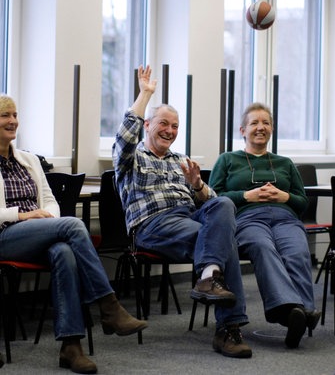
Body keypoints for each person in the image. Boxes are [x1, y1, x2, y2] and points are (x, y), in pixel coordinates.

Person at [0, 94, 147, 374]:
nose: (12, 121)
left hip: (38, 233)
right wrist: (23, 215)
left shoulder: (28, 160)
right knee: (73, 225)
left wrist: (48, 218)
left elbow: (50, 199)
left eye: (15, 115)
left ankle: (71, 345)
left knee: (64, 251)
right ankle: (108, 305)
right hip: (6, 236)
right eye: (5, 115)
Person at [113, 65, 251, 359]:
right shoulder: (131, 157)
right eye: (164, 123)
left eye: (175, 127)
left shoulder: (181, 160)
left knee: (223, 203)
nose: (170, 131)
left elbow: (211, 204)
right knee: (226, 243)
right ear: (147, 125)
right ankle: (229, 328)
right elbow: (125, 136)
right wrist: (145, 94)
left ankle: (209, 275)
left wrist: (198, 185)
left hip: (189, 219)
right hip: (152, 225)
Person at [209, 102, 321, 349]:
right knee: (262, 247)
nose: (261, 127)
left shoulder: (284, 163)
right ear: (242, 130)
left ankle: (302, 312)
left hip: (285, 217)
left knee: (297, 251)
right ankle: (288, 310)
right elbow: (213, 196)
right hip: (248, 217)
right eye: (254, 123)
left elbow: (302, 202)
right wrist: (246, 196)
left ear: (272, 129)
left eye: (266, 123)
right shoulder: (228, 159)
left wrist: (285, 197)